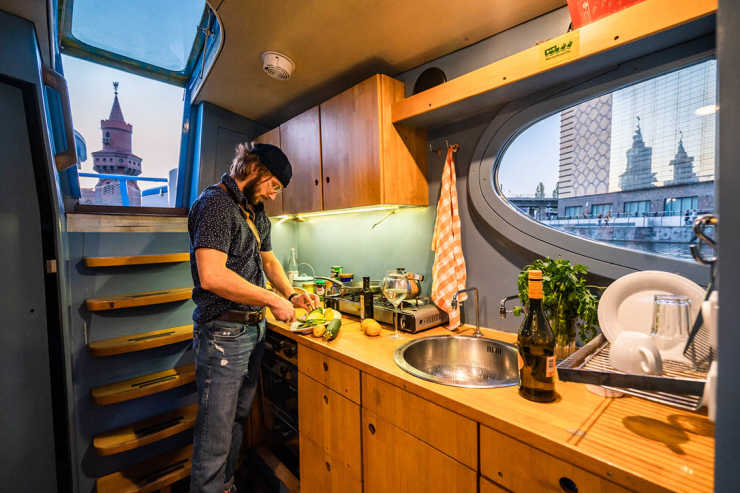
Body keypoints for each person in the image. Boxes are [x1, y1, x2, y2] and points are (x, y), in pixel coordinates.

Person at [188, 142, 319, 493]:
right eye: (274, 185)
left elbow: (270, 261)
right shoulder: (215, 204)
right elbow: (212, 276)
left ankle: (225, 486)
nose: (275, 195)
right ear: (254, 169)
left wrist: (291, 294)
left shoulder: (254, 210)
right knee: (214, 436)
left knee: (236, 421)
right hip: (222, 335)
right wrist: (272, 300)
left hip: (251, 331)